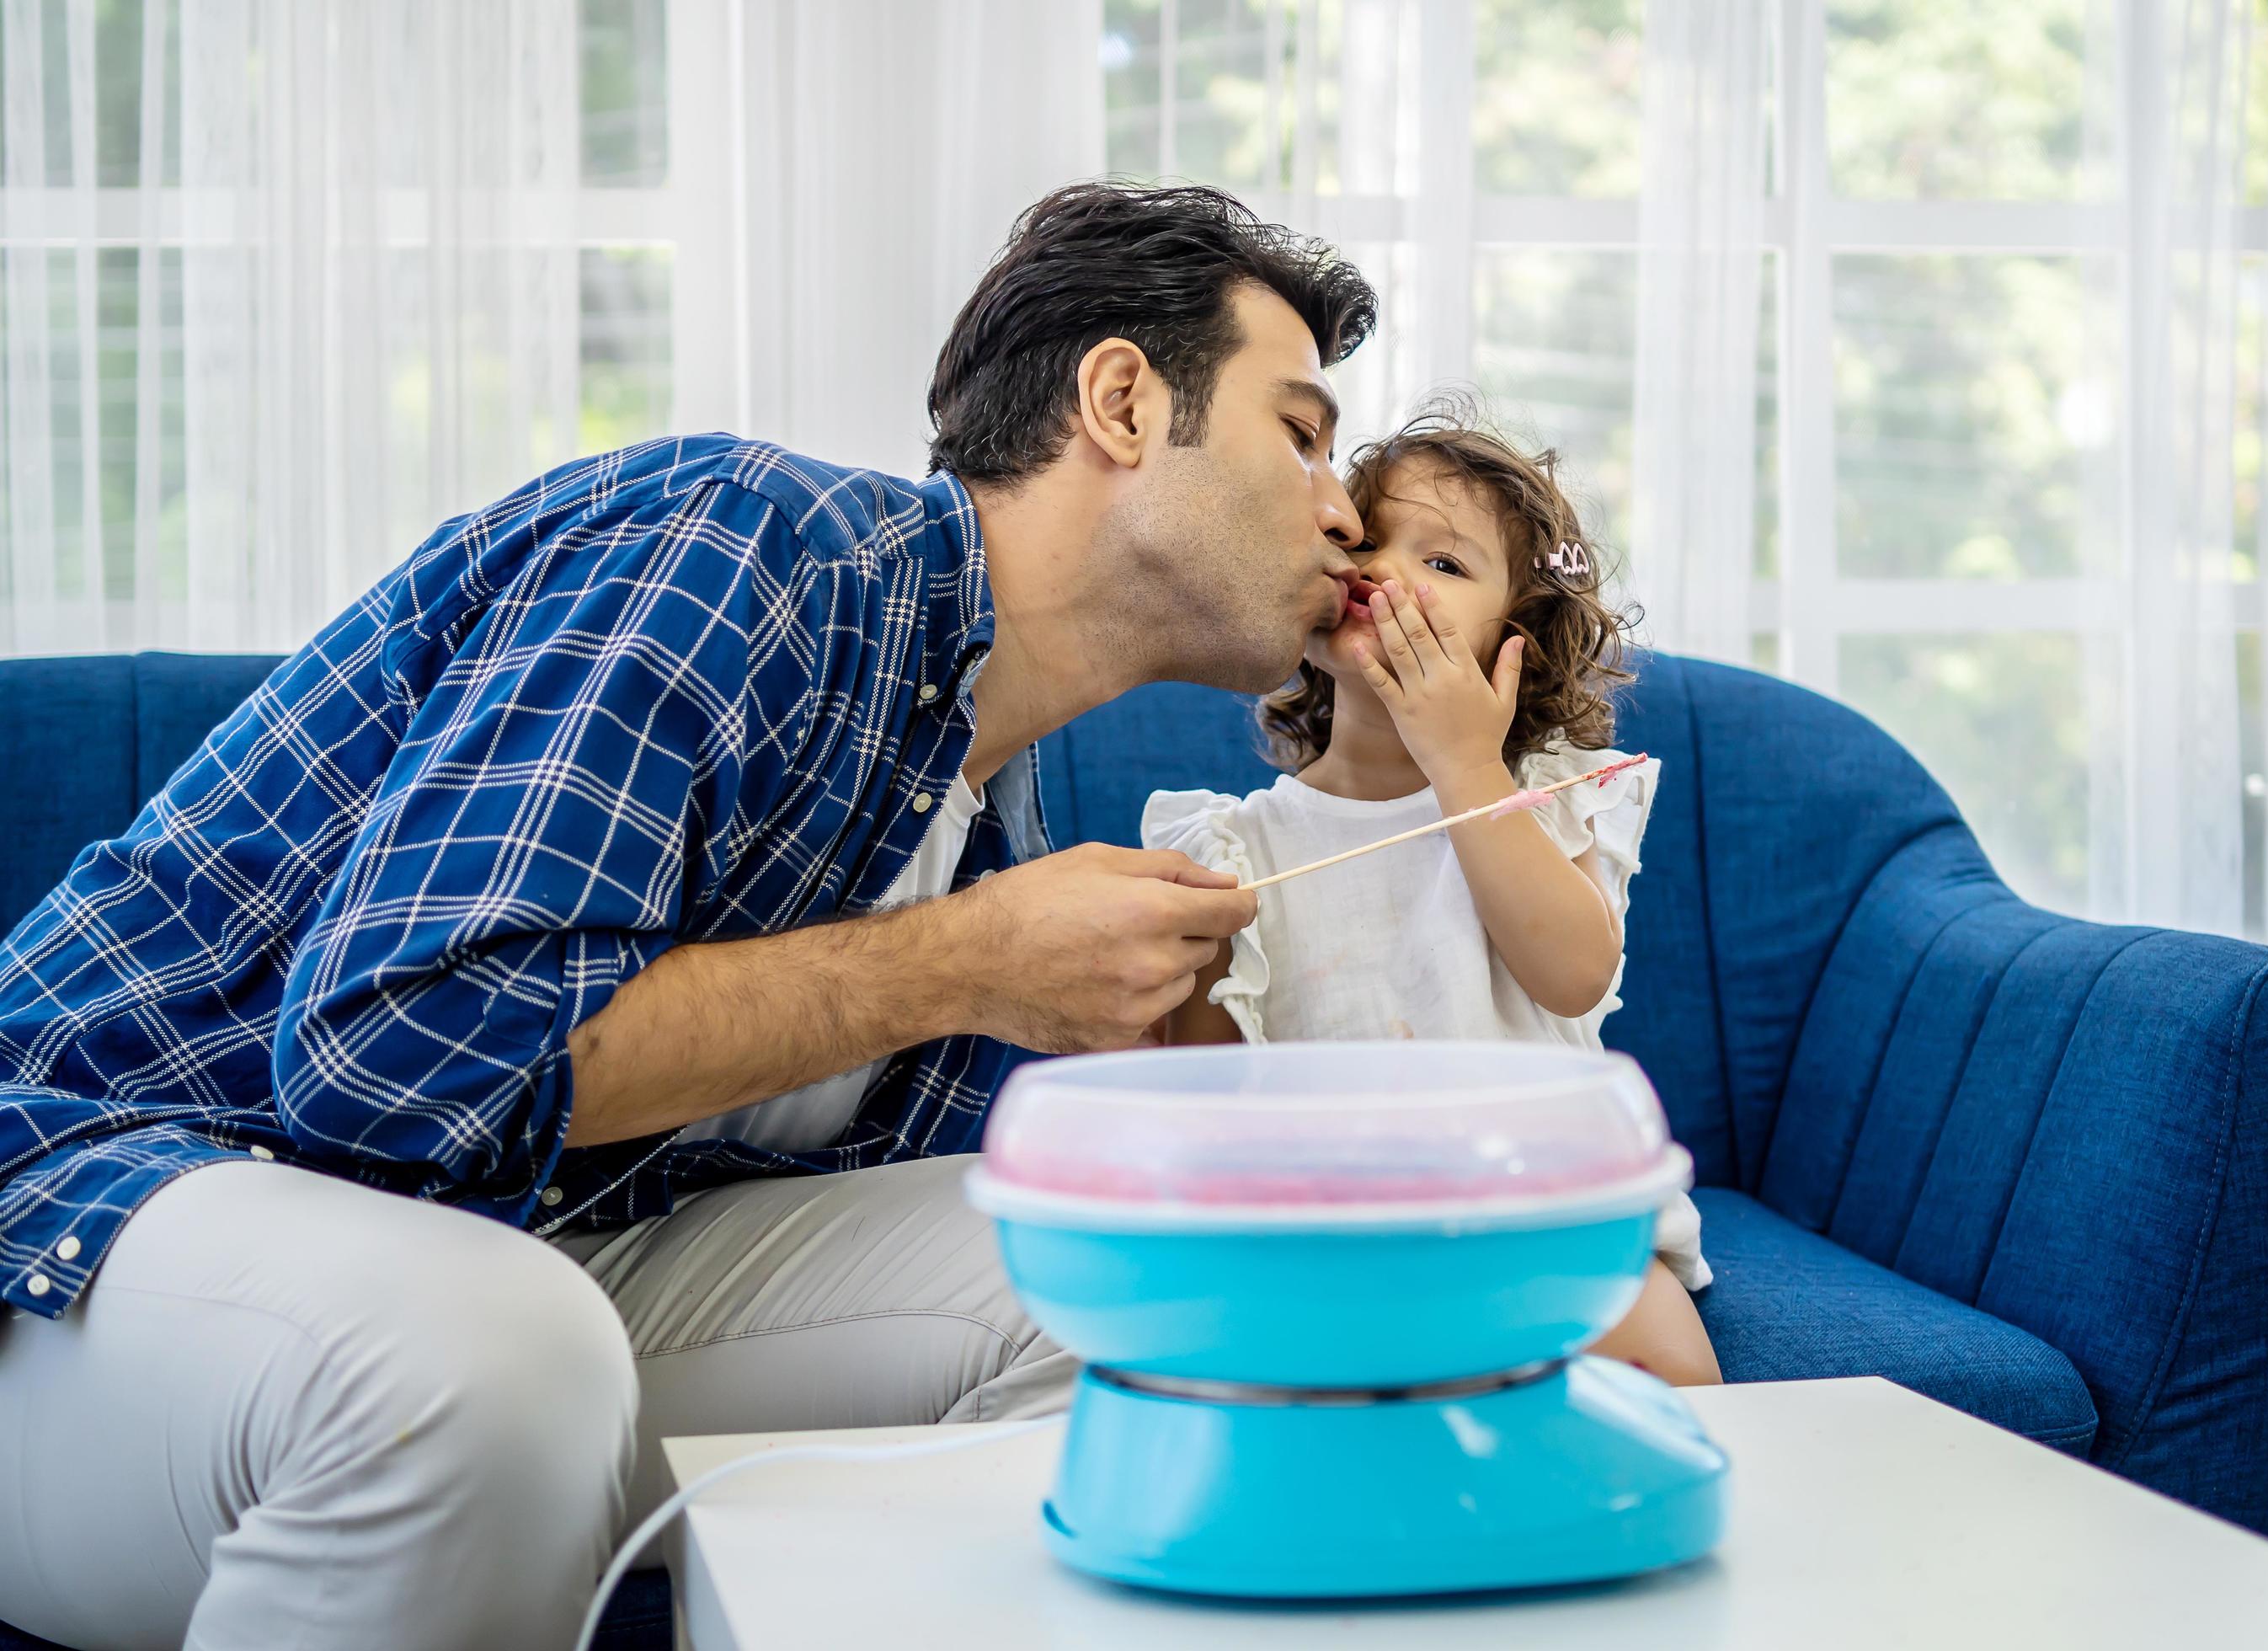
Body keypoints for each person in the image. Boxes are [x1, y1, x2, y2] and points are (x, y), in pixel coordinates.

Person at [0, 183, 1376, 1651]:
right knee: (493, 1357)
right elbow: (394, 1062)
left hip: (533, 1271)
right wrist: (959, 969)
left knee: (1171, 1281)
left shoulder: (1003, 816)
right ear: (1119, 400)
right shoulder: (745, 544)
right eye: (1298, 431)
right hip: (97, 1238)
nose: (1345, 506)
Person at [1143, 409, 1719, 1385]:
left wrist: (1461, 762)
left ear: (1516, 644)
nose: (1387, 573)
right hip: (1334, 1239)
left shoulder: (1555, 797)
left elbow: (1575, 974)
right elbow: (1208, 1097)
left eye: (1446, 565)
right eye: (1364, 540)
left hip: (1547, 1214)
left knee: (1681, 1386)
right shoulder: (1233, 846)